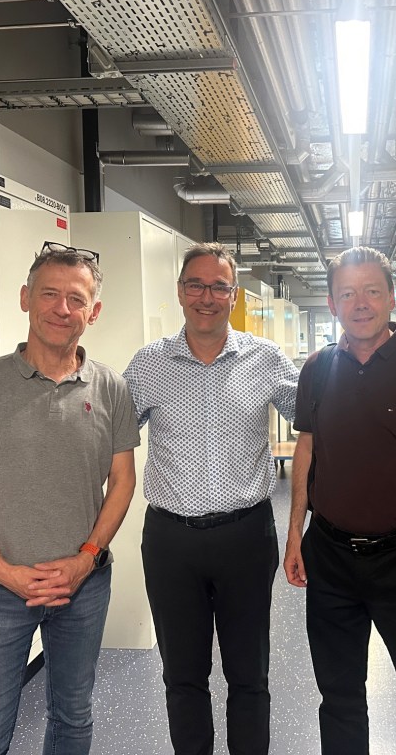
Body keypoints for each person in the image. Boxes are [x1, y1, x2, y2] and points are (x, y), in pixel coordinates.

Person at [0, 242, 140, 755]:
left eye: (76, 299)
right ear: (25, 298)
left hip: (83, 585)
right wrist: (2, 569)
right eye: (49, 294)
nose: (61, 309)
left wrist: (86, 558)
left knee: (73, 716)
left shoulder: (111, 388)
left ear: (93, 312)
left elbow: (122, 482)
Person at [284, 246, 396, 755]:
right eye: (347, 293)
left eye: (371, 291)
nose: (360, 303)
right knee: (339, 699)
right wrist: (295, 533)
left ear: (392, 296)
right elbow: (307, 450)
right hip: (330, 558)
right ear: (332, 303)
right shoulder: (318, 367)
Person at [122, 242, 298, 755]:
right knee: (182, 676)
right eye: (195, 285)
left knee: (249, 675)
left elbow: (318, 415)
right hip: (171, 541)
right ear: (180, 292)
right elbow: (110, 437)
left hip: (247, 536)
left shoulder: (265, 359)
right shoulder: (149, 364)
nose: (206, 297)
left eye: (219, 286)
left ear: (234, 295)